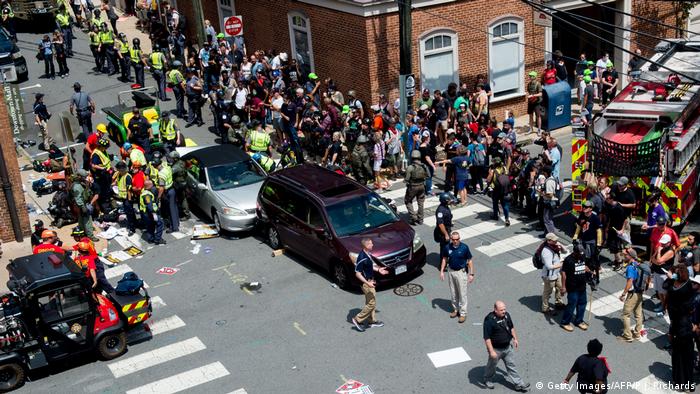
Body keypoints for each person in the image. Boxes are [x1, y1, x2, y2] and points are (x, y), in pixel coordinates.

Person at [482, 301, 530, 392]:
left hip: (507, 347)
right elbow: (487, 338)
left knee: (511, 365)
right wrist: (491, 351)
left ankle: (519, 384)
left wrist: (515, 339)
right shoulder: (489, 320)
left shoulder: (507, 315)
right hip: (496, 349)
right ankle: (487, 379)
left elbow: (511, 327)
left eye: (504, 309)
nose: (504, 311)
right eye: (501, 310)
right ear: (495, 310)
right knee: (492, 366)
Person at [665, 264, 695, 390]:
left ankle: (680, 382)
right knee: (688, 357)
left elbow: (665, 286)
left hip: (677, 327)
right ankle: (690, 384)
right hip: (687, 326)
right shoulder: (689, 286)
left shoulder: (673, 291)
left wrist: (670, 278)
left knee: (678, 356)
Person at [351, 238, 388, 332]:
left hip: (370, 281)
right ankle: (357, 319)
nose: (372, 245)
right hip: (367, 284)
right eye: (371, 244)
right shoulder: (362, 257)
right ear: (366, 246)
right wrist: (368, 283)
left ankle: (372, 321)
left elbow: (369, 266)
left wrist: (379, 270)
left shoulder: (367, 254)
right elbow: (357, 273)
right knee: (372, 304)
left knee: (370, 302)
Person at [439, 231, 474, 323]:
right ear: (451, 239)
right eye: (453, 239)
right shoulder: (447, 247)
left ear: (459, 239)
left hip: (461, 273)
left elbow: (469, 261)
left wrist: (471, 274)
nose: (455, 241)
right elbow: (444, 259)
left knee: (462, 294)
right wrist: (442, 271)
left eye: (457, 239)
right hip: (451, 272)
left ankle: (463, 313)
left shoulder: (464, 248)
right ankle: (456, 310)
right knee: (453, 293)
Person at [618, 248, 650, 342]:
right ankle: (637, 334)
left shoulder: (630, 267)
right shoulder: (639, 264)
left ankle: (628, 336)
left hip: (633, 294)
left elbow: (630, 282)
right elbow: (648, 277)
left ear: (630, 256)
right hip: (640, 293)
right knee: (638, 314)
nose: (624, 256)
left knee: (625, 315)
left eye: (625, 255)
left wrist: (623, 294)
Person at [560, 243, 590, 332]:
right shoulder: (568, 260)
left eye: (582, 253)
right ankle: (565, 322)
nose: (581, 255)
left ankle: (579, 321)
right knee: (572, 305)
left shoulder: (582, 256)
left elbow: (584, 266)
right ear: (575, 252)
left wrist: (588, 270)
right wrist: (563, 287)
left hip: (582, 286)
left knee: (582, 303)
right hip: (572, 287)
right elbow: (563, 274)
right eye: (579, 254)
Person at [573, 200, 603, 289]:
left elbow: (599, 231)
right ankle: (584, 277)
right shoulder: (582, 216)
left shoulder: (595, 218)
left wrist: (598, 244)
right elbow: (578, 227)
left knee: (594, 261)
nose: (584, 208)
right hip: (583, 241)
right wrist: (575, 238)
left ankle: (595, 280)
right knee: (583, 260)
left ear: (590, 209)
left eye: (586, 207)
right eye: (583, 207)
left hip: (592, 242)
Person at [540, 233, 565, 316]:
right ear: (549, 241)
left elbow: (565, 251)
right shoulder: (546, 252)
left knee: (560, 287)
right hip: (549, 276)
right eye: (554, 240)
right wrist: (562, 264)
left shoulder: (554, 246)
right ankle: (545, 308)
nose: (556, 241)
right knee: (548, 292)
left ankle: (558, 302)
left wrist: (560, 245)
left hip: (556, 273)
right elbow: (549, 266)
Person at [651, 234, 676, 315]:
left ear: (669, 243)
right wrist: (657, 260)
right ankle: (662, 304)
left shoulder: (670, 251)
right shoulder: (661, 247)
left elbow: (658, 261)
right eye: (662, 243)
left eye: (664, 243)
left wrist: (658, 252)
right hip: (657, 272)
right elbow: (652, 258)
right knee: (659, 291)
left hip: (663, 274)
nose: (662, 244)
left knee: (664, 292)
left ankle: (664, 307)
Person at [70, 170, 98, 241]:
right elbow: (78, 198)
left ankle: (83, 231)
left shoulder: (79, 183)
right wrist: (83, 207)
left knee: (81, 219)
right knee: (88, 220)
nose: (85, 178)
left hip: (80, 205)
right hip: (81, 205)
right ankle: (90, 235)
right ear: (79, 176)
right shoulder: (77, 186)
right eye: (83, 177)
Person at [403, 150, 429, 225]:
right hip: (422, 186)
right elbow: (428, 175)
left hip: (413, 187)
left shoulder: (410, 167)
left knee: (407, 201)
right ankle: (420, 219)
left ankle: (413, 216)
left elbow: (406, 179)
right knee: (420, 202)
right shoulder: (424, 166)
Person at [112, 161, 136, 236]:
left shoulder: (127, 176)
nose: (119, 171)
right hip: (123, 197)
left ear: (123, 169)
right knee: (128, 212)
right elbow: (117, 182)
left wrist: (129, 200)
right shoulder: (119, 174)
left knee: (130, 213)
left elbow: (129, 189)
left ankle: (132, 229)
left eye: (120, 169)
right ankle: (134, 223)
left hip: (127, 198)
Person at [486, 157, 511, 226]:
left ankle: (495, 216)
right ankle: (507, 219)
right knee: (505, 205)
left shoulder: (492, 171)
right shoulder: (505, 168)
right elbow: (507, 175)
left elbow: (488, 180)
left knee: (495, 202)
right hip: (505, 189)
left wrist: (489, 173)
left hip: (496, 190)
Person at [156, 156, 178, 233]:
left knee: (170, 210)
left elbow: (161, 188)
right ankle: (176, 224)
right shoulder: (166, 166)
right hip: (172, 189)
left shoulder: (161, 175)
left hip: (168, 191)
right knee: (174, 208)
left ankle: (173, 227)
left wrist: (158, 197)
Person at [140, 178, 165, 245]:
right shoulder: (147, 195)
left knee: (150, 226)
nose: (153, 186)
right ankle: (158, 239)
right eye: (152, 185)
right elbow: (149, 206)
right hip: (150, 213)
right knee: (160, 223)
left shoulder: (143, 191)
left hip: (145, 213)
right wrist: (154, 214)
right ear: (149, 186)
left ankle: (151, 238)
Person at [169, 151, 190, 219]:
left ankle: (186, 214)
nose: (170, 159)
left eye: (172, 158)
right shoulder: (181, 162)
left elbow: (169, 172)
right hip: (183, 182)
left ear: (175, 159)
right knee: (182, 198)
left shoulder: (176, 167)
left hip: (179, 184)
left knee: (182, 199)